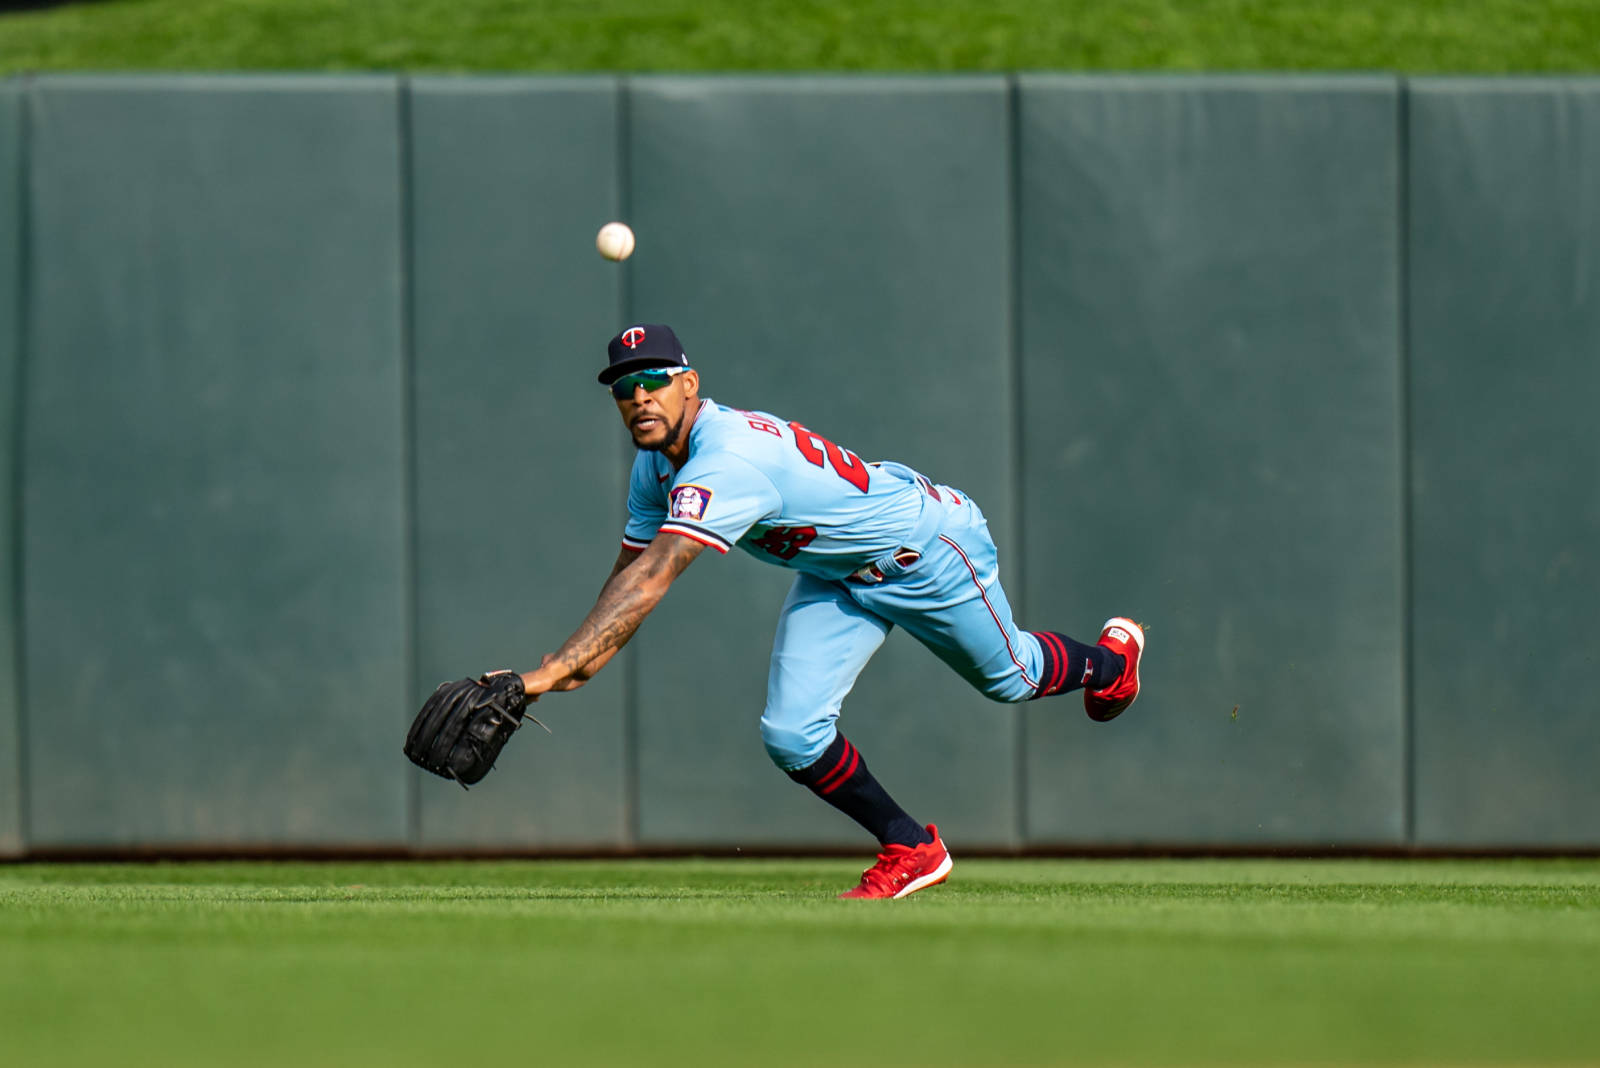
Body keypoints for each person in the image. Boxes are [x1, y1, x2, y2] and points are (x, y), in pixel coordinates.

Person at [517, 324, 1145, 899]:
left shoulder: (727, 459)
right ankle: (912, 847)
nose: (641, 396)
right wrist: (570, 667)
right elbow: (628, 575)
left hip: (923, 549)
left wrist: (548, 675)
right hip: (836, 575)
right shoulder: (654, 468)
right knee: (791, 735)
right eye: (625, 387)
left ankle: (1113, 662)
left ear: (690, 385)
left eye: (655, 380)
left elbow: (655, 577)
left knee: (1014, 678)